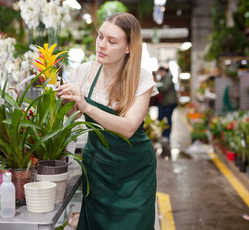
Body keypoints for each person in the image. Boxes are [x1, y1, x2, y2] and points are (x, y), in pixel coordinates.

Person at [57, 12, 158, 230]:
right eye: (100, 37)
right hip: (98, 170)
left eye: (112, 41)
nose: (101, 45)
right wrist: (67, 104)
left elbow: (129, 128)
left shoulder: (141, 79)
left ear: (128, 47)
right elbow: (74, 117)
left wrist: (86, 106)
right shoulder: (83, 73)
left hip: (135, 172)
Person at [156, 66, 178, 158]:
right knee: (166, 119)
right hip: (166, 102)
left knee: (168, 119)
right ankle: (165, 135)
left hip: (169, 102)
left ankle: (166, 136)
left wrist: (158, 87)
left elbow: (164, 88)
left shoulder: (168, 78)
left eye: (160, 72)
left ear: (163, 71)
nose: (159, 74)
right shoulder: (164, 78)